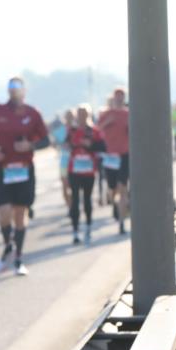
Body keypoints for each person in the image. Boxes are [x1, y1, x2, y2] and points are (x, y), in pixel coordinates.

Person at [0, 77, 48, 275]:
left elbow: (47, 140)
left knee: (20, 216)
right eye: (11, 87)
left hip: (24, 169)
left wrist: (30, 145)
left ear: (24, 90)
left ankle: (18, 258)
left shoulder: (33, 112)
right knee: (3, 214)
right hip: (4, 169)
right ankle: (8, 246)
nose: (14, 90)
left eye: (17, 87)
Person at [65, 104, 107, 245]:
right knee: (75, 199)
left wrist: (90, 145)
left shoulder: (94, 131)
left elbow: (102, 147)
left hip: (89, 171)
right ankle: (75, 231)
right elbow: (64, 145)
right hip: (74, 170)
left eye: (84, 114)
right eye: (80, 114)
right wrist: (73, 146)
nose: (82, 116)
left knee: (87, 199)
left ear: (88, 115)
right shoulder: (71, 131)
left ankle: (88, 227)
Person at [98, 88, 130, 234]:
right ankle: (115, 206)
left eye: (121, 97)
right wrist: (107, 123)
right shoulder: (105, 114)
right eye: (117, 96)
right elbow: (97, 131)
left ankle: (122, 222)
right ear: (113, 98)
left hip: (124, 155)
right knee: (113, 190)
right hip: (110, 156)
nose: (119, 99)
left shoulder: (128, 114)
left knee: (122, 189)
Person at [50, 109, 75, 210]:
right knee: (65, 187)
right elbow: (54, 144)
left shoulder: (77, 129)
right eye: (68, 116)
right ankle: (70, 207)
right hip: (64, 163)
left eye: (71, 116)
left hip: (75, 163)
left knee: (74, 187)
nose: (69, 118)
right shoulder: (61, 130)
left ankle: (74, 207)